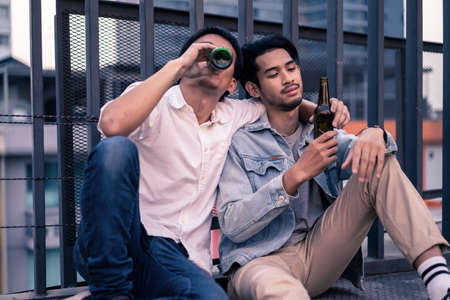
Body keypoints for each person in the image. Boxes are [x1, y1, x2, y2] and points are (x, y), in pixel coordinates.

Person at [72, 27, 350, 300]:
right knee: (115, 150)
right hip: (124, 241)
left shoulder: (236, 114)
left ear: (232, 84)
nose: (207, 60)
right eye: (200, 53)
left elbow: (278, 101)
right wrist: (180, 64)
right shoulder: (152, 101)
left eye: (219, 56)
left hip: (179, 261)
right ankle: (110, 292)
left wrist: (323, 111)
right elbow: (111, 124)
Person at [216, 34, 450, 300]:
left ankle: (440, 285)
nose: (288, 78)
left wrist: (373, 133)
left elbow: (371, 152)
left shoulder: (318, 131)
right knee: (281, 292)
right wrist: (294, 176)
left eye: (291, 68)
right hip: (260, 261)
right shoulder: (240, 141)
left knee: (378, 161)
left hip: (320, 252)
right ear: (254, 89)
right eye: (273, 74)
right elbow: (232, 223)